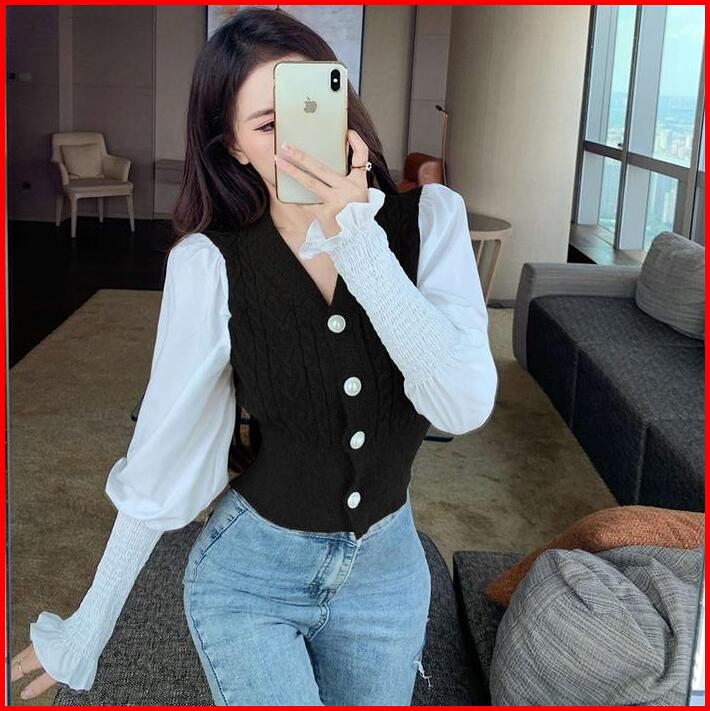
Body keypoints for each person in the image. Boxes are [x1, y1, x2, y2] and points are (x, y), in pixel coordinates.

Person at [12, 7, 498, 706]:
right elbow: (163, 459)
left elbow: (462, 404)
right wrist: (87, 628)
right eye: (269, 125)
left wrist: (358, 242)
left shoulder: (431, 220)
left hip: (387, 582)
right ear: (234, 148)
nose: (298, 143)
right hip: (249, 581)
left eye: (310, 109)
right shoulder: (209, 265)